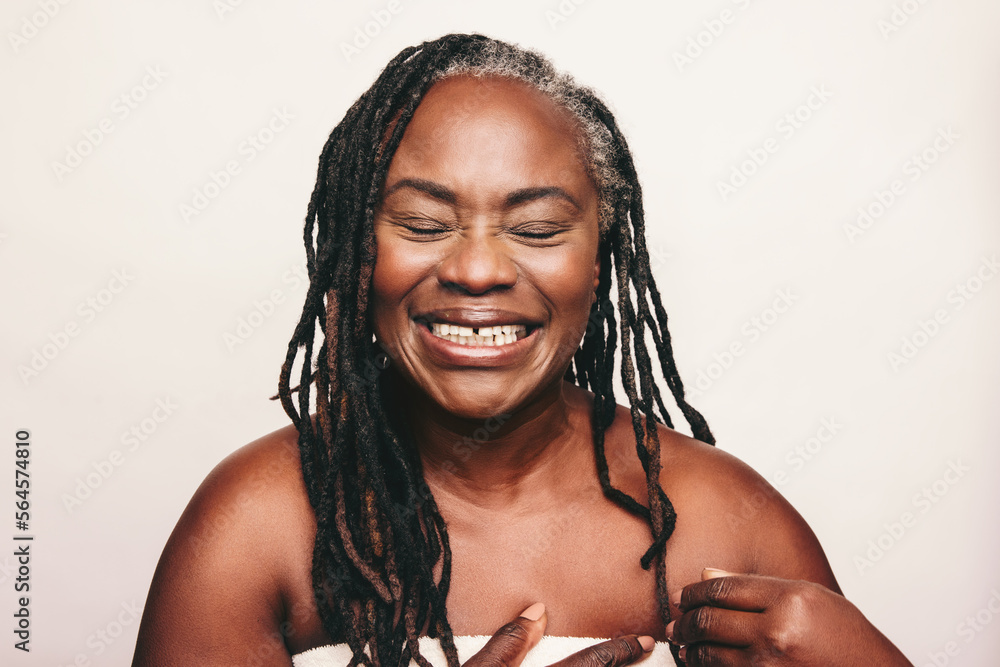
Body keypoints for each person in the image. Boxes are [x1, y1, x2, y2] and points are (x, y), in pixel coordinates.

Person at [132, 34, 912, 666]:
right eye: (423, 223)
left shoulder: (729, 526)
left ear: (599, 262)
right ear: (354, 255)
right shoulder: (255, 528)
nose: (476, 269)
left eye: (536, 229)